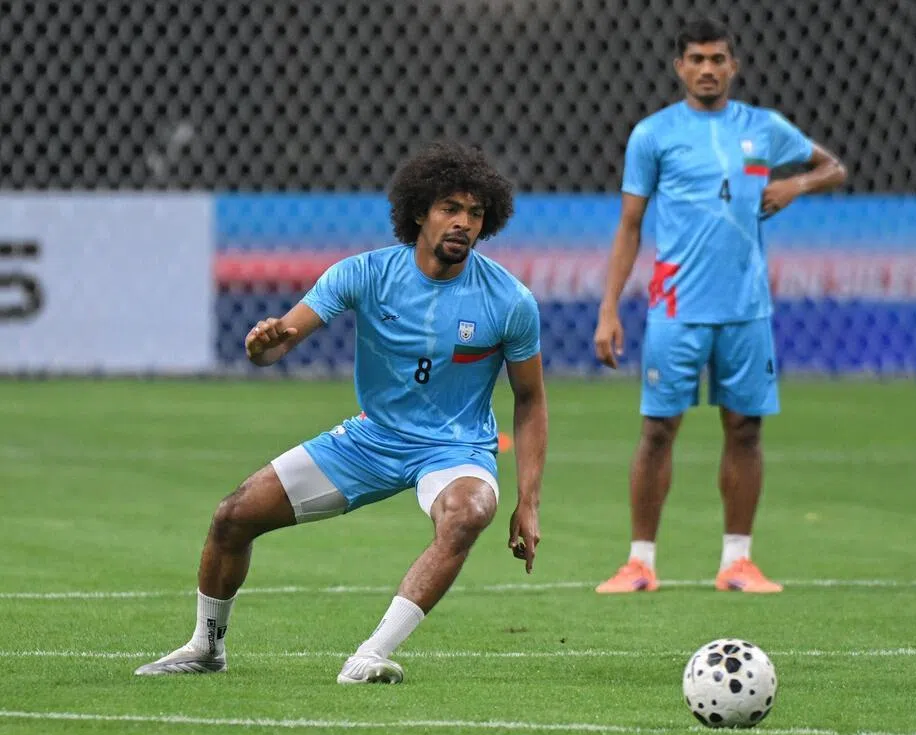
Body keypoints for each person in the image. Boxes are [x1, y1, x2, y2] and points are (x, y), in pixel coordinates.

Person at [135, 141, 547, 682]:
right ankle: (206, 647)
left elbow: (531, 399)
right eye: (450, 208)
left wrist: (528, 501)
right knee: (232, 517)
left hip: (456, 449)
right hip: (371, 441)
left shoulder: (510, 301)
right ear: (419, 211)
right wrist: (264, 347)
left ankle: (371, 655)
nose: (463, 223)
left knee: (468, 513)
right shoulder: (364, 274)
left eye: (475, 213)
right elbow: (284, 338)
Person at [593, 18, 847, 593]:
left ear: (733, 66)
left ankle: (737, 561)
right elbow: (630, 224)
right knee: (657, 430)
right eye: (696, 59)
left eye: (718, 58)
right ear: (679, 67)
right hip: (676, 308)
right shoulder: (653, 135)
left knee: (746, 429)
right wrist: (609, 309)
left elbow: (834, 167)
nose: (707, 68)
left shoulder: (764, 128)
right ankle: (640, 562)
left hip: (747, 307)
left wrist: (795, 186)